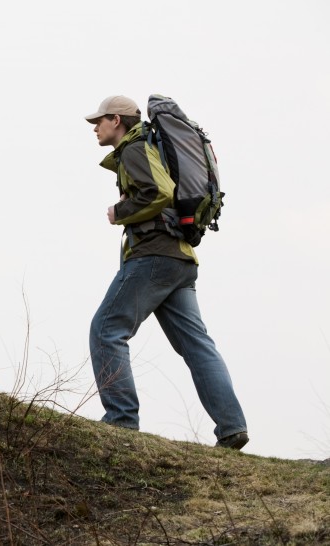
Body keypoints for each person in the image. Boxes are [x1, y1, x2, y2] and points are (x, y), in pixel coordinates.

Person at [84, 96, 249, 450]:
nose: (95, 128)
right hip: (180, 260)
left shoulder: (134, 148)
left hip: (154, 256)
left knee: (106, 330)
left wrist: (120, 210)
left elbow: (159, 191)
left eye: (99, 121)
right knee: (197, 345)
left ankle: (121, 419)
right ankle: (232, 426)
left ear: (117, 120)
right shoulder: (149, 146)